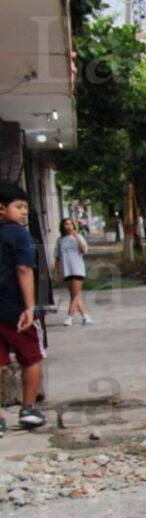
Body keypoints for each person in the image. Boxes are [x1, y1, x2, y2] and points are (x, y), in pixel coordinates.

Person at [0, 182, 45, 434]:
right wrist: (29, 307)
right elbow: (24, 269)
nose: (24, 212)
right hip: (15, 310)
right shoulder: (18, 234)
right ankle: (28, 409)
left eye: (26, 207)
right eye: (18, 207)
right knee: (31, 357)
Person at [55, 217, 91, 325]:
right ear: (62, 226)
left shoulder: (78, 237)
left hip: (77, 269)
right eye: (66, 224)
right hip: (66, 270)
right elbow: (57, 257)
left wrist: (75, 235)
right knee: (75, 294)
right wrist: (56, 271)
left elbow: (84, 249)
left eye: (71, 224)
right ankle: (85, 316)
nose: (69, 226)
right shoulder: (60, 240)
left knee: (74, 295)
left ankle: (69, 317)